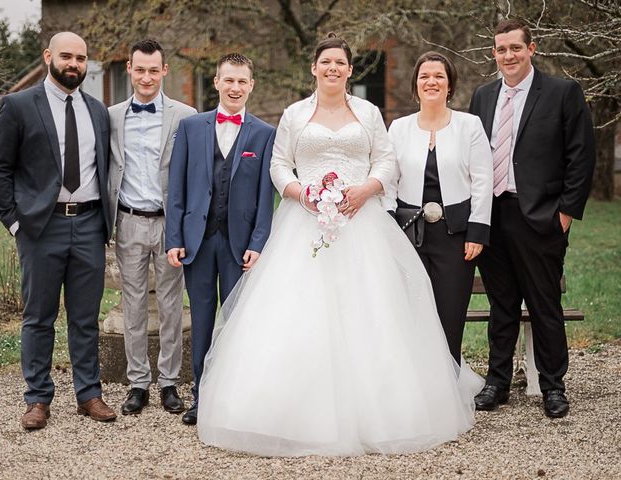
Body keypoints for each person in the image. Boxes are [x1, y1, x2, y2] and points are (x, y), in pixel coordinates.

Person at [196, 34, 484, 457]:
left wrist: (365, 190)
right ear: (314, 68)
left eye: (341, 63)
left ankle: (382, 412)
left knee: (371, 308)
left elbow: (386, 161)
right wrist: (302, 193)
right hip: (304, 222)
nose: (333, 68)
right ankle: (285, 412)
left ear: (350, 70)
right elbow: (279, 164)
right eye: (326, 61)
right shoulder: (295, 114)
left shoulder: (368, 112)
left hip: (359, 221)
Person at [0, 32, 116, 429]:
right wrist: (13, 222)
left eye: (80, 57)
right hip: (41, 228)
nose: (74, 64)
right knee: (39, 317)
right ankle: (38, 399)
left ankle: (88, 393)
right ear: (48, 57)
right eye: (66, 56)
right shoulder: (19, 106)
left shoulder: (98, 110)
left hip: (90, 224)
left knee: (84, 317)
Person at [469, 19, 596, 418]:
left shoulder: (562, 92)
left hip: (540, 215)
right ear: (494, 53)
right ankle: (497, 382)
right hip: (492, 214)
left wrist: (565, 214)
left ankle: (553, 386)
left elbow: (581, 156)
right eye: (501, 49)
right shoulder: (483, 96)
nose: (508, 56)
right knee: (502, 303)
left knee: (544, 304)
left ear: (531, 49)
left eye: (515, 48)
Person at [165, 53, 276, 426]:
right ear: (216, 83)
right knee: (201, 320)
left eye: (242, 81)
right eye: (228, 80)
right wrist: (174, 238)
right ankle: (201, 396)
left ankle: (236, 398)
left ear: (251, 86)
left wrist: (259, 242)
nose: (235, 87)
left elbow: (265, 196)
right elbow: (176, 189)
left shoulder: (264, 134)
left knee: (237, 321)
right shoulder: (192, 127)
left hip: (238, 245)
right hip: (197, 242)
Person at [108, 39, 196, 415]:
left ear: (164, 71)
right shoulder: (110, 116)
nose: (146, 77)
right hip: (127, 220)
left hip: (169, 222)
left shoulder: (186, 115)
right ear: (129, 69)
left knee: (172, 304)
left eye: (153, 70)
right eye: (139, 69)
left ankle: (170, 383)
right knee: (132, 304)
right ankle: (138, 382)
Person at [388, 51, 492, 365]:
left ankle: (450, 384)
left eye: (439, 77)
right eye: (424, 76)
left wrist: (478, 230)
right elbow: (388, 181)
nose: (431, 82)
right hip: (409, 235)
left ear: (449, 86)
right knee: (412, 314)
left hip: (457, 236)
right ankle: (414, 386)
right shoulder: (399, 128)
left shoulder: (469, 126)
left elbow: (483, 180)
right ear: (415, 86)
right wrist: (389, 228)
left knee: (449, 314)